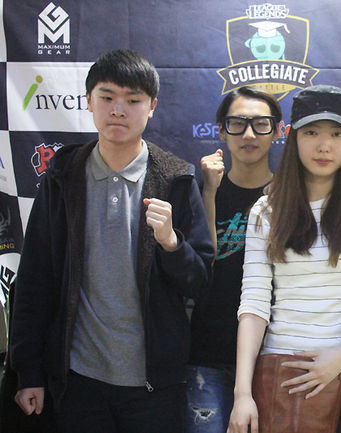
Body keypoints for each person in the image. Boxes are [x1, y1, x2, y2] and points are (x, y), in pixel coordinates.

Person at [9, 49, 214, 433]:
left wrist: (172, 244)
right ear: (89, 101)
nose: (118, 110)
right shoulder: (63, 176)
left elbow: (200, 282)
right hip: (78, 379)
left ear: (152, 107)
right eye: (107, 97)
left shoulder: (176, 180)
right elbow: (35, 278)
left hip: (154, 384)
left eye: (133, 101)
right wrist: (28, 371)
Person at [227, 84, 341, 433]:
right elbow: (254, 304)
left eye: (337, 134)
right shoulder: (266, 210)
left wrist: (339, 359)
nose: (324, 145)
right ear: (291, 136)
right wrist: (242, 393)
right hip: (283, 371)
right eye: (311, 132)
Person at [187, 86, 281, 433]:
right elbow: (201, 265)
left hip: (274, 355)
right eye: (238, 124)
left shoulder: (290, 196)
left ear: (277, 131)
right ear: (222, 131)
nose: (249, 135)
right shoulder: (201, 191)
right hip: (208, 353)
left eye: (261, 124)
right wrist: (210, 192)